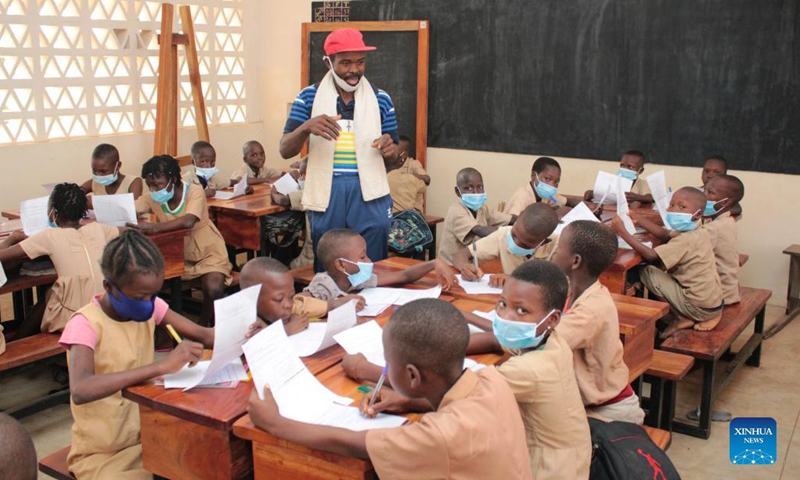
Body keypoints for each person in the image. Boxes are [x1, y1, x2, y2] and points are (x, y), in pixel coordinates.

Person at [344, 262, 591, 479]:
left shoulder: (528, 371)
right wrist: (446, 349)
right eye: (502, 304)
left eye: (521, 310)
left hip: (550, 468)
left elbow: (462, 393)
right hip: (564, 450)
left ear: (552, 318)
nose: (505, 316)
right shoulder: (547, 339)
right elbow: (494, 341)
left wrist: (364, 368)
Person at [247, 298, 534, 480]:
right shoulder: (491, 379)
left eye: (387, 363)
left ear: (411, 375)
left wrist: (275, 423)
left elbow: (350, 443)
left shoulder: (438, 436)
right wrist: (408, 402)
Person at [59, 230, 213, 479]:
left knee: (204, 460)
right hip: (103, 452)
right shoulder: (85, 324)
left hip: (148, 434)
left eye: (154, 294)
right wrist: (163, 366)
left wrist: (248, 327)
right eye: (140, 296)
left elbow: (204, 334)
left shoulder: (151, 305)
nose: (149, 302)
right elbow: (81, 388)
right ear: (109, 286)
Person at [279, 28, 399, 272]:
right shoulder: (308, 97)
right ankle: (332, 307)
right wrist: (306, 128)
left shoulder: (381, 99)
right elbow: (284, 150)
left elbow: (394, 153)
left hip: (370, 191)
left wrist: (390, 148)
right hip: (328, 189)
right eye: (345, 63)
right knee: (329, 258)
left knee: (372, 259)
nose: (354, 70)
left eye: (360, 62)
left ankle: (372, 306)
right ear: (328, 62)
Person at [551, 220, 645, 424]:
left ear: (575, 261)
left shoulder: (591, 309)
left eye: (558, 248)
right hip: (593, 403)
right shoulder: (575, 289)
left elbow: (541, 340)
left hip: (609, 413)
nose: (553, 253)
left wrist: (471, 319)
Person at [0, 183, 120, 338]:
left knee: (50, 294)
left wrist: (12, 238)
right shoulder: (98, 228)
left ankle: (19, 338)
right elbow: (126, 230)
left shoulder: (48, 236)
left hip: (75, 317)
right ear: (83, 211)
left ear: (53, 212)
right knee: (53, 291)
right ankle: (22, 337)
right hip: (106, 309)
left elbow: (3, 256)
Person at [132, 155, 231, 326]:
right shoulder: (152, 197)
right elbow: (132, 208)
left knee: (213, 288)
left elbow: (188, 221)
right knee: (145, 284)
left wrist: (155, 228)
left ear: (173, 179)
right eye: (150, 185)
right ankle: (163, 329)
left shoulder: (194, 191)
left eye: (158, 185)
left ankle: (201, 326)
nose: (154, 190)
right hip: (175, 256)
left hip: (207, 253)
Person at [611, 187, 723, 337]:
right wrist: (639, 220)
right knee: (656, 270)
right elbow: (665, 235)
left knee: (648, 271)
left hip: (698, 308)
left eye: (682, 207)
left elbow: (651, 256)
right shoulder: (697, 230)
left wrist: (621, 231)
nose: (673, 210)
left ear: (698, 214)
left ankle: (680, 317)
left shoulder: (687, 239)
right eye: (671, 205)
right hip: (712, 303)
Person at [301, 229, 453, 308]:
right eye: (362, 257)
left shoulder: (356, 280)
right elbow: (296, 305)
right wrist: (334, 305)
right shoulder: (323, 284)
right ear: (341, 264)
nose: (368, 261)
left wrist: (433, 263)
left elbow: (404, 276)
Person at [451, 203, 558, 287]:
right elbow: (461, 254)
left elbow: (555, 286)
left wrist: (515, 280)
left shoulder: (559, 247)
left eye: (525, 244)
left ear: (544, 242)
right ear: (518, 218)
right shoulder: (503, 235)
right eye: (514, 234)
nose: (515, 242)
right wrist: (464, 266)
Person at [239, 257, 334, 336]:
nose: (288, 305)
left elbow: (332, 305)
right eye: (279, 300)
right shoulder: (242, 323)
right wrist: (285, 331)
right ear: (252, 299)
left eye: (291, 296)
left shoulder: (293, 307)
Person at [438, 167, 513, 265]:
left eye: (480, 187)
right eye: (469, 188)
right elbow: (480, 230)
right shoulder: (456, 211)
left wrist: (522, 222)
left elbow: (506, 218)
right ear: (457, 191)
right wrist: (513, 233)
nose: (476, 192)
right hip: (451, 266)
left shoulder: (481, 208)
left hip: (472, 264)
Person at [702, 174, 745, 305]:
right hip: (730, 290)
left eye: (710, 193)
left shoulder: (716, 227)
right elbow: (737, 207)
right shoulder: (724, 217)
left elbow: (683, 243)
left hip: (720, 295)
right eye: (704, 190)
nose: (704, 196)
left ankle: (683, 315)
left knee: (653, 273)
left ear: (726, 202)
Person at [271, 157, 315, 269]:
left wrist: (273, 192)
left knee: (282, 259)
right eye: (301, 174)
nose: (302, 178)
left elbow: (282, 200)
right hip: (320, 250)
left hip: (310, 258)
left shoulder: (309, 192)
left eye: (304, 175)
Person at [504, 157, 577, 217]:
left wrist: (587, 201)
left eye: (556, 181)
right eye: (547, 178)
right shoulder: (523, 196)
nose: (552, 185)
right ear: (533, 176)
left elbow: (565, 202)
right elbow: (513, 222)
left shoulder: (549, 197)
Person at [584, 150, 653, 207]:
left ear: (640, 171)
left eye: (631, 167)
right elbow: (603, 194)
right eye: (622, 165)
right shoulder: (613, 180)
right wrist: (591, 194)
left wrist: (636, 197)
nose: (624, 169)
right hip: (612, 213)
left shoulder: (642, 184)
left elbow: (650, 198)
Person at [385, 147, 426, 213]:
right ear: (400, 161)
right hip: (410, 218)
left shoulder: (383, 181)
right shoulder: (412, 178)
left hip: (392, 219)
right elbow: (424, 186)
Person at [396, 135, 430, 212]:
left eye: (396, 152)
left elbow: (427, 179)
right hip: (398, 210)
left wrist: (407, 177)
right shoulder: (391, 165)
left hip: (414, 210)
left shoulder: (413, 164)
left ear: (404, 154)